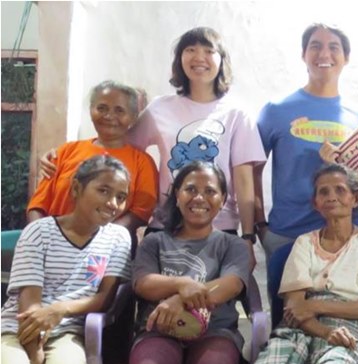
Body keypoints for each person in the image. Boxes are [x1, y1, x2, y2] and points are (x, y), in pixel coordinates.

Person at [41, 27, 265, 269]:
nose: (199, 57)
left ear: (222, 61)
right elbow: (120, 147)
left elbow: (244, 181)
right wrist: (61, 155)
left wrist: (248, 236)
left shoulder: (237, 113)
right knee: (152, 293)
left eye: (209, 51)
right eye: (190, 50)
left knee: (213, 299)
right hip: (165, 225)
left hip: (220, 225)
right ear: (180, 59)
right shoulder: (160, 108)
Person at [1, 155, 132, 364]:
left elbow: (104, 299)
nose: (113, 203)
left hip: (67, 333)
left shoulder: (118, 238)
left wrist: (60, 309)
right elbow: (30, 310)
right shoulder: (39, 232)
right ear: (76, 188)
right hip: (16, 331)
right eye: (103, 190)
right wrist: (36, 361)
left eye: (121, 196)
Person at [249, 164, 358, 364]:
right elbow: (295, 308)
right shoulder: (304, 243)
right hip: (299, 327)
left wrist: (316, 304)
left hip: (349, 329)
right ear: (315, 203)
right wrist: (324, 331)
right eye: (323, 192)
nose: (331, 196)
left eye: (340, 190)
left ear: (355, 199)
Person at [129, 161, 250, 364]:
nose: (199, 198)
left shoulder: (231, 244)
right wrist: (182, 283)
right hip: (157, 332)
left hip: (215, 332)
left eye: (210, 191)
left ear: (223, 198)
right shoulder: (155, 242)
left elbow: (231, 284)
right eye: (191, 189)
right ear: (177, 194)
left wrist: (179, 299)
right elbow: (143, 283)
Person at [254, 23, 358, 262]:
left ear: (346, 58)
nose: (324, 54)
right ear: (303, 55)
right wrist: (260, 225)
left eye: (333, 47)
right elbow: (252, 172)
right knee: (288, 301)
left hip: (345, 237)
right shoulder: (276, 110)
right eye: (316, 46)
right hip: (287, 235)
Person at [27, 80, 158, 239]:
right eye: (101, 108)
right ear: (91, 110)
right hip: (54, 246)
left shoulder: (143, 163)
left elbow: (140, 213)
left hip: (109, 252)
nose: (109, 116)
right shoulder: (65, 152)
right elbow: (38, 205)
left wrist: (99, 241)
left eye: (119, 110)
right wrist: (41, 237)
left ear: (133, 117)